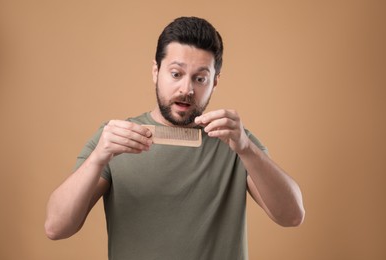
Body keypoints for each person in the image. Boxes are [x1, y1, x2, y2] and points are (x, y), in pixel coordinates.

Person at [45, 16, 305, 260]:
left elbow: (292, 216)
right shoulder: (113, 139)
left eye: (200, 78)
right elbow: (56, 227)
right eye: (176, 74)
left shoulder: (235, 143)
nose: (187, 89)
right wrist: (97, 159)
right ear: (156, 71)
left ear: (214, 82)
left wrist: (247, 149)